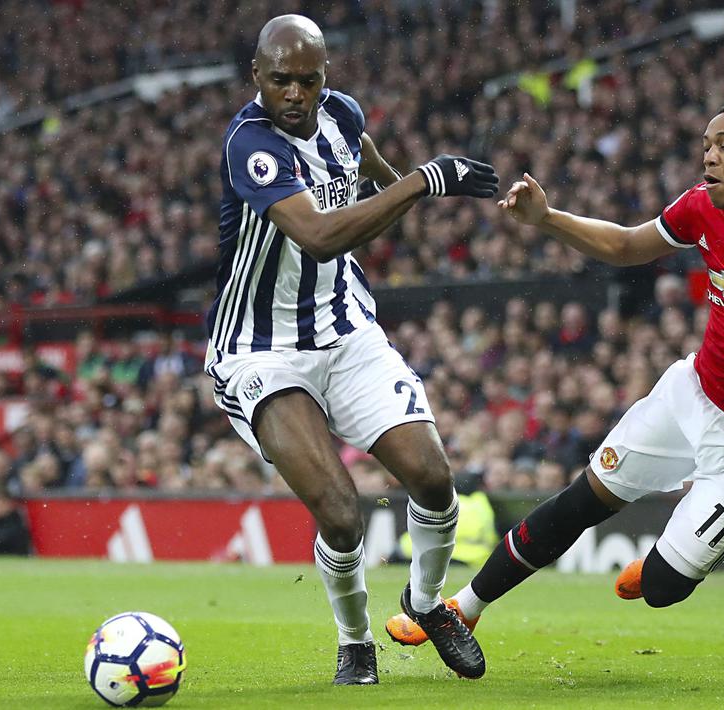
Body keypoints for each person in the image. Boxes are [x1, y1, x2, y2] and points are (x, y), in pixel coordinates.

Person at [386, 100, 724, 658]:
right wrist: (549, 220)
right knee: (582, 500)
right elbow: (627, 245)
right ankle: (462, 608)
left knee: (662, 589)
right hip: (693, 394)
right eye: (707, 145)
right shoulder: (703, 205)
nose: (709, 157)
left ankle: (666, 559)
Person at [205, 15, 498, 684]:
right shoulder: (251, 144)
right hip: (262, 352)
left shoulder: (342, 116)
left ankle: (426, 605)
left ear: (324, 78)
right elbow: (318, 237)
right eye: (279, 79)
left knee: (431, 476)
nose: (294, 94)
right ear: (256, 77)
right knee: (340, 511)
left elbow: (370, 169)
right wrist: (422, 180)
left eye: (307, 81)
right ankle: (356, 642)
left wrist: (402, 185)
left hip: (347, 333)